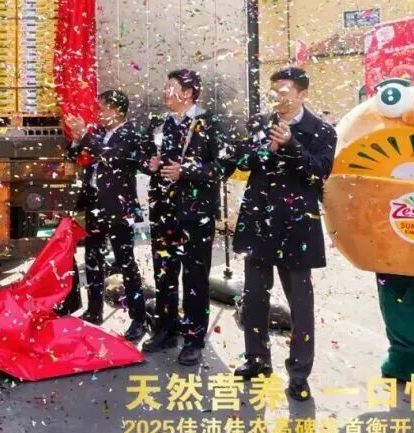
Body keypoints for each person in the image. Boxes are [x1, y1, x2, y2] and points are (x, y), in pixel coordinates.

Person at [231, 67, 336, 402]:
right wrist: (265, 149)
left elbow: (319, 171)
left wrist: (290, 145)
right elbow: (241, 161)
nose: (277, 97)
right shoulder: (259, 123)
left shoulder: (321, 130)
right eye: (274, 91)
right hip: (259, 221)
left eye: (285, 91)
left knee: (300, 303)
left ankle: (299, 372)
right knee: (255, 297)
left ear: (302, 94)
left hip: (296, 226)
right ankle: (257, 359)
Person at [140, 70, 228, 366]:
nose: (165, 92)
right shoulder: (159, 123)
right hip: (163, 211)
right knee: (164, 272)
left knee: (195, 277)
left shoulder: (210, 123)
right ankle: (165, 329)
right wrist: (150, 164)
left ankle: (193, 338)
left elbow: (224, 166)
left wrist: (187, 171)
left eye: (171, 87)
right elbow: (146, 158)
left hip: (196, 215)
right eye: (165, 86)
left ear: (188, 93)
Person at [63, 90, 148, 342]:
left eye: (102, 108)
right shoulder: (98, 132)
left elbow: (111, 156)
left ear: (117, 110)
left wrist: (85, 136)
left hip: (119, 207)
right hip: (94, 203)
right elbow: (74, 155)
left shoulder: (131, 133)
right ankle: (94, 310)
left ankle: (138, 319)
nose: (98, 113)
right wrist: (77, 140)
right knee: (92, 258)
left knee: (125, 262)